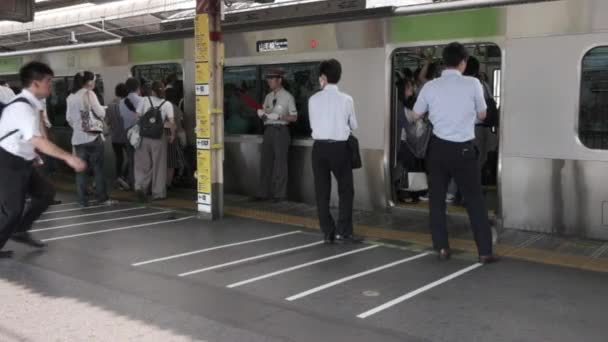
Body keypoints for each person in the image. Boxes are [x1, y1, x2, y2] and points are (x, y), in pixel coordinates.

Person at [412, 42, 498, 264]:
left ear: (443, 62)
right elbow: (482, 114)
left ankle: (441, 247)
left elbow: (415, 114)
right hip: (464, 149)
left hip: (438, 149)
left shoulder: (431, 87)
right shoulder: (473, 84)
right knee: (474, 201)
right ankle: (485, 252)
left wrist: (434, 115)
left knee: (437, 201)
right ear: (463, 62)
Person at [0, 62, 86, 258]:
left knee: (45, 193)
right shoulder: (21, 107)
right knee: (12, 210)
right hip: (7, 162)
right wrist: (69, 157)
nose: (51, 85)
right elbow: (37, 139)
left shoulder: (32, 104)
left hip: (22, 160)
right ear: (35, 83)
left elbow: (27, 136)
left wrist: (34, 154)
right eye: (48, 81)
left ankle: (20, 230)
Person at [309, 59, 362, 244]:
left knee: (322, 191)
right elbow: (354, 125)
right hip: (340, 149)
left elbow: (313, 124)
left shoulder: (313, 99)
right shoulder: (347, 99)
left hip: (319, 149)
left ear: (323, 77)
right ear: (338, 76)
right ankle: (344, 231)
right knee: (346, 190)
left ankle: (327, 231)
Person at [66, 71, 111, 208]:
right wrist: (102, 109)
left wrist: (78, 126)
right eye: (94, 80)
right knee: (98, 169)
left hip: (78, 139)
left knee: (81, 172)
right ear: (89, 82)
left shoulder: (70, 97)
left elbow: (68, 118)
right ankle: (101, 198)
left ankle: (82, 201)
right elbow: (101, 113)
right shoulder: (89, 94)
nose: (94, 83)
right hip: (92, 137)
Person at [254, 69, 298, 202]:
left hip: (281, 130)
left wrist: (280, 116)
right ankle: (263, 193)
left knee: (280, 164)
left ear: (279, 80)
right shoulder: (268, 96)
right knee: (265, 162)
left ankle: (279, 194)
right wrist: (262, 115)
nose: (269, 81)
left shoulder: (288, 96)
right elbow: (265, 112)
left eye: (272, 79)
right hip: (268, 130)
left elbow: (294, 117)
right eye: (268, 79)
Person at [134, 81, 175, 202]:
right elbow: (172, 123)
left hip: (144, 135)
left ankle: (141, 188)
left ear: (152, 91)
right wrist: (172, 135)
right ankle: (158, 193)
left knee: (142, 164)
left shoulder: (144, 100)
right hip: (159, 137)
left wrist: (145, 123)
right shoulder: (167, 104)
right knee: (159, 165)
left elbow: (136, 117)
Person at [119, 78, 143, 189]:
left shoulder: (121, 102)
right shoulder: (141, 100)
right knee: (141, 159)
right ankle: (141, 184)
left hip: (127, 132)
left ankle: (132, 182)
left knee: (131, 158)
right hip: (138, 132)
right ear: (138, 87)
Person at [106, 83, 130, 190]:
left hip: (115, 137)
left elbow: (107, 121)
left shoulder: (110, 105)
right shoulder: (128, 105)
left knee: (119, 159)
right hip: (126, 137)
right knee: (131, 158)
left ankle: (118, 178)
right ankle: (123, 177)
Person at [165, 87, 186, 189]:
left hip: (160, 138)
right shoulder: (176, 108)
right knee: (172, 162)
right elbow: (179, 125)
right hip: (173, 138)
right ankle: (169, 183)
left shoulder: (160, 107)